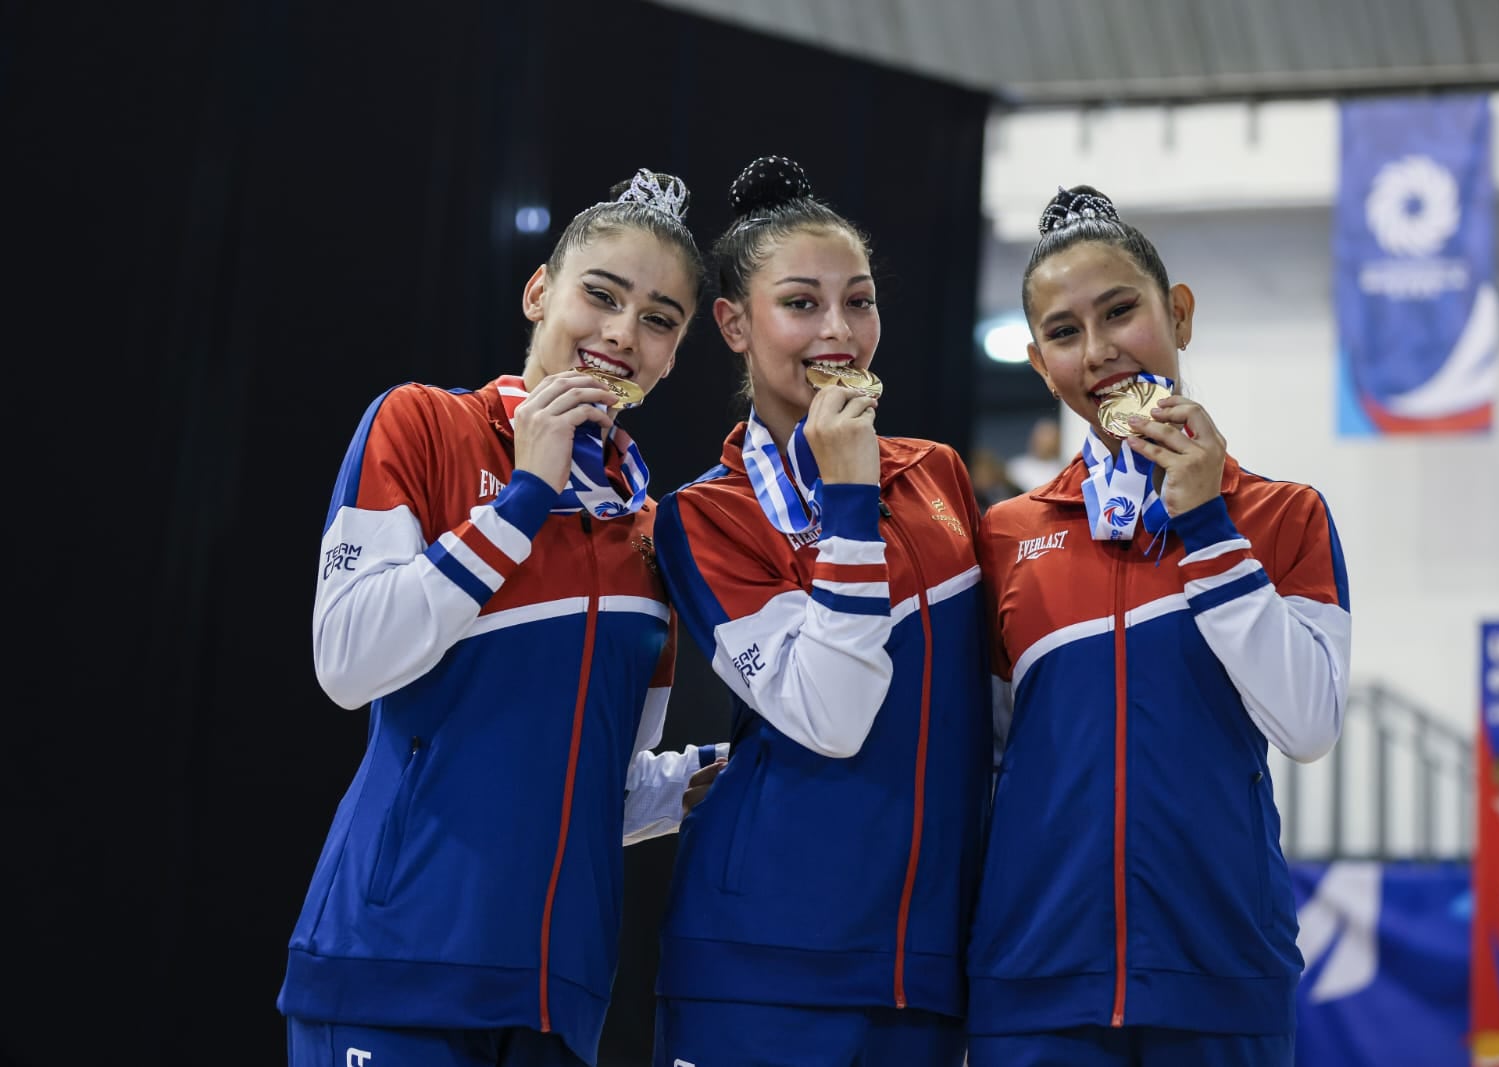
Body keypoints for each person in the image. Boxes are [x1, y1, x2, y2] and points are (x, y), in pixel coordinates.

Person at [276, 168, 727, 1067]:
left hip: (559, 988)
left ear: (675, 353)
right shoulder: (423, 425)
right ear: (538, 292)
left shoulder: (650, 533)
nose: (620, 334)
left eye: (659, 319)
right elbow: (348, 659)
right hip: (395, 956)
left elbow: (602, 783)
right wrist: (522, 499)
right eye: (600, 295)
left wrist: (711, 779)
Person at [965, 185, 1352, 1067]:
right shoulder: (1006, 534)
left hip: (1220, 970)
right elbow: (979, 760)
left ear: (1177, 314)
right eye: (1064, 333)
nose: (1099, 352)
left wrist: (1210, 525)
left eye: (1120, 311)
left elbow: (1310, 723)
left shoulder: (1284, 516)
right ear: (1039, 365)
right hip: (1035, 976)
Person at [646, 156, 991, 1067]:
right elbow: (832, 718)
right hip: (761, 961)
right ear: (733, 323)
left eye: (860, 301)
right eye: (801, 303)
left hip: (924, 966)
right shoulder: (706, 514)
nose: (839, 331)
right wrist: (847, 497)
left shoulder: (939, 476)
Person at [1005, 414, 1064, 491]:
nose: (1044, 442)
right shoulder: (1016, 467)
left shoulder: (1064, 468)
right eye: (1041, 435)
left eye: (1049, 437)